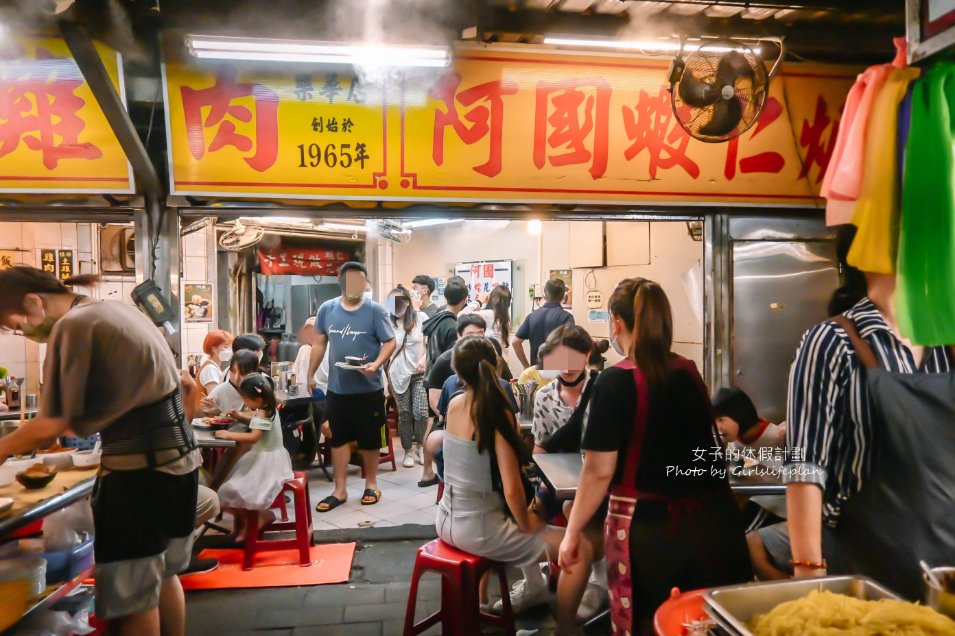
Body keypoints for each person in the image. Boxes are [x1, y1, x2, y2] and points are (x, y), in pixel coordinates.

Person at [0, 267, 200, 636]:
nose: (22, 333)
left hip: (140, 477)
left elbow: (51, 424)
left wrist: (3, 449)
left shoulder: (75, 325)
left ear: (33, 301)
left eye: (14, 325)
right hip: (181, 465)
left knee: (133, 602)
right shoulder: (116, 310)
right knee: (164, 576)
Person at [559, 278, 751, 635]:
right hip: (715, 526)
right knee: (705, 625)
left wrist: (571, 535)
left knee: (654, 626)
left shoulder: (614, 381)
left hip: (652, 538)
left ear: (615, 323)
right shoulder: (688, 370)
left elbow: (599, 471)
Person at [780, 232, 955, 599]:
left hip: (946, 585)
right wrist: (809, 578)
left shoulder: (946, 346)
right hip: (865, 581)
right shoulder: (830, 342)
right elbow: (803, 464)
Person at [437, 335, 592, 636]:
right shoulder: (497, 411)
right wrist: (528, 522)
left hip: (445, 520)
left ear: (457, 371)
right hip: (479, 530)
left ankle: (533, 587)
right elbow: (511, 489)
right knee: (580, 547)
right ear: (496, 364)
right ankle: (565, 630)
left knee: (526, 518)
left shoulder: (455, 404)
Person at [502, 325, 607, 620]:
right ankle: (535, 583)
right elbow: (541, 445)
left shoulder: (604, 390)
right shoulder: (545, 396)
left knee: (577, 509)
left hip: (599, 477)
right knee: (526, 518)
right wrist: (534, 487)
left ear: (587, 355)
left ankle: (597, 581)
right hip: (559, 477)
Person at [307, 262, 396, 512]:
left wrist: (377, 364)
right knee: (339, 439)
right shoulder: (327, 309)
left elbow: (390, 342)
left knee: (369, 439)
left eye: (362, 280)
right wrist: (310, 373)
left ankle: (371, 484)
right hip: (338, 388)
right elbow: (319, 343)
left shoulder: (375, 310)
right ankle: (340, 490)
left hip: (369, 388)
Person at [712, 387, 788, 577]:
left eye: (721, 419)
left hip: (778, 507)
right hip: (758, 502)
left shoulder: (776, 438)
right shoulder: (736, 445)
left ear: (739, 414)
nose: (717, 426)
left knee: (735, 543)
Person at [215, 375, 294, 541]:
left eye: (245, 399)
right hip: (270, 458)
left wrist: (228, 434)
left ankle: (258, 518)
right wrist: (241, 417)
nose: (245, 403)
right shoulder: (269, 409)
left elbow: (254, 437)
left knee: (227, 492)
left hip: (265, 463)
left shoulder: (263, 414)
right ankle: (252, 520)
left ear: (257, 400)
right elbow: (258, 424)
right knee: (235, 491)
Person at [418, 313, 487, 487]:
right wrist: (456, 418)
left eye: (481, 334)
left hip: (486, 418)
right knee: (435, 440)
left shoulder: (490, 356)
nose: (477, 340)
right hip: (449, 419)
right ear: (459, 335)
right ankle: (444, 477)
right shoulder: (445, 361)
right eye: (471, 335)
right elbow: (434, 400)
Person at [384, 287, 429, 468]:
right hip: (397, 375)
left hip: (419, 373)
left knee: (421, 413)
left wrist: (425, 360)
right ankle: (408, 451)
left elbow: (430, 343)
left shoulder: (421, 318)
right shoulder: (388, 323)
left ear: (408, 302)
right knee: (404, 415)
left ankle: (420, 446)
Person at [512, 278, 574, 370]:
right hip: (558, 373)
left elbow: (515, 342)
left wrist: (526, 366)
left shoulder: (532, 316)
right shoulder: (566, 317)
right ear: (562, 296)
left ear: (544, 295)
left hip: (536, 373)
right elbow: (572, 345)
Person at [422, 278, 469, 371]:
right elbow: (453, 360)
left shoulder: (436, 319)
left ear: (446, 298)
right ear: (464, 301)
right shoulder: (453, 326)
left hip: (431, 373)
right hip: (443, 379)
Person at [200, 350, 260, 419]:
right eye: (233, 371)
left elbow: (266, 420)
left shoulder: (260, 389)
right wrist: (207, 409)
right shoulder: (220, 391)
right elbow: (204, 418)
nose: (236, 378)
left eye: (243, 373)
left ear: (254, 372)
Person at [197, 330, 234, 398]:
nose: (229, 350)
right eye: (225, 347)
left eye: (230, 347)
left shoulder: (214, 366)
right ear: (213, 349)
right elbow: (214, 398)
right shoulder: (210, 369)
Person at [474, 285, 512, 350]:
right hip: (502, 357)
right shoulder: (506, 316)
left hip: (490, 357)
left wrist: (479, 301)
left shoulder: (488, 314)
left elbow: (461, 315)